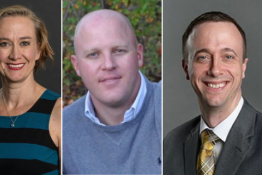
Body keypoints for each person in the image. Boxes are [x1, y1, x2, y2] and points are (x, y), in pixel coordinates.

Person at [0, 5, 61, 174]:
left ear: (38, 50)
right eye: (5, 43)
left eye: (24, 43)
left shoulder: (60, 113)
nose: (15, 55)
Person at [63, 9, 161, 174]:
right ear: (77, 65)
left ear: (138, 55)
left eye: (118, 51)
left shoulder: (168, 107)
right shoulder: (61, 131)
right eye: (94, 54)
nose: (108, 64)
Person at [164, 11, 262, 175]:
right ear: (186, 68)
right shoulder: (172, 143)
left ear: (243, 67)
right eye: (203, 57)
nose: (215, 70)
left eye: (228, 56)